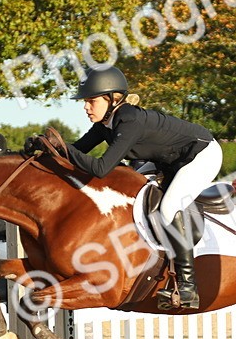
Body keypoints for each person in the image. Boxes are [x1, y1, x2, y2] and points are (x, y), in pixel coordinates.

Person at [39, 66, 222, 310]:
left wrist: (62, 146)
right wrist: (45, 152)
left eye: (91, 101)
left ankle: (188, 286)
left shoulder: (129, 120)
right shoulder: (106, 124)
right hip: (170, 161)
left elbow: (101, 167)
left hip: (201, 155)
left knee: (168, 207)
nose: (86, 107)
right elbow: (76, 150)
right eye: (85, 102)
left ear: (112, 99)